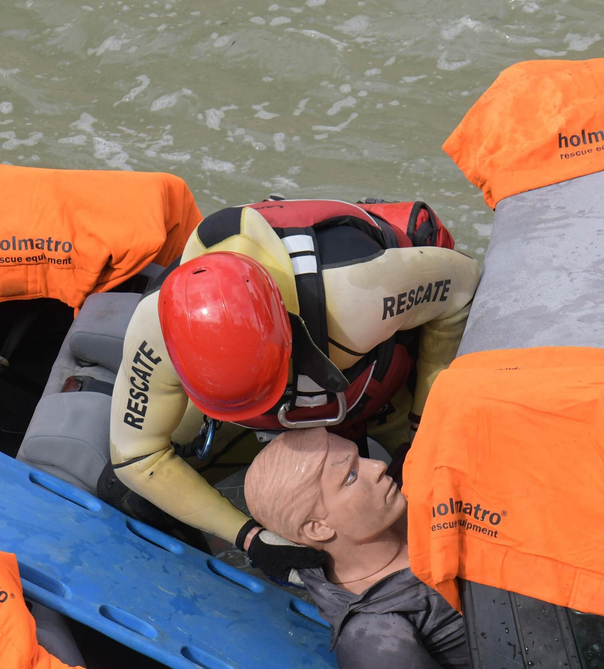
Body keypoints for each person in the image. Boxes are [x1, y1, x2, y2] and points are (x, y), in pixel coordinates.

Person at [109, 199, 480, 579]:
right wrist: (249, 537)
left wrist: (423, 432)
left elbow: (464, 284)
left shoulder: (359, 292)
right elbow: (137, 457)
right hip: (280, 404)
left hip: (384, 380)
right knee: (129, 495)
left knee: (464, 488)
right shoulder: (153, 334)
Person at [243, 428, 471, 669]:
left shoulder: (408, 489)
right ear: (318, 528)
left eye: (361, 457)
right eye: (350, 476)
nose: (378, 466)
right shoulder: (375, 638)